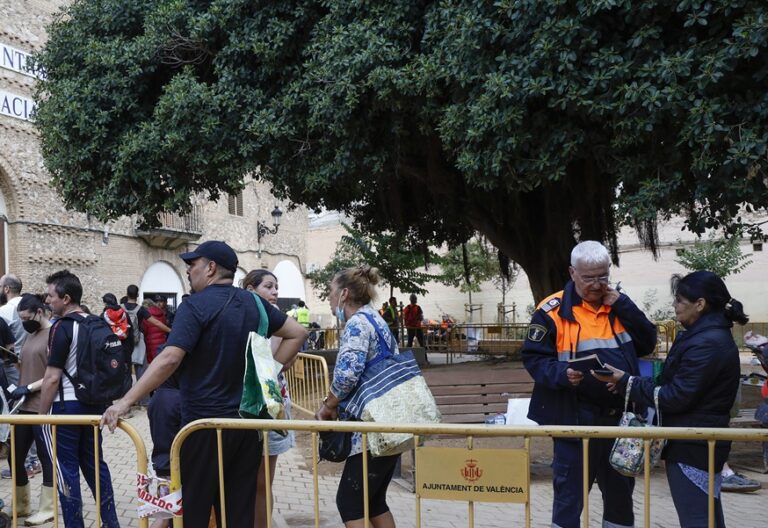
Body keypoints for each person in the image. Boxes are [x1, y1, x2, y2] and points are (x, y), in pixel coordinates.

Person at [101, 240, 307, 528]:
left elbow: (170, 358)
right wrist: (269, 374)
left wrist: (124, 401)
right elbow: (297, 333)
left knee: (194, 512)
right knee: (238, 512)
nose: (188, 272)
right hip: (246, 428)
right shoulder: (255, 302)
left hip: (203, 428)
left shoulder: (195, 305)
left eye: (192, 265)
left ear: (210, 268)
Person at [594, 270, 748, 528]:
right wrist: (625, 382)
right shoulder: (703, 336)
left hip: (694, 446)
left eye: (679, 301)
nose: (674, 306)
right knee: (706, 517)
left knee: (698, 519)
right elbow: (671, 383)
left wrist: (627, 383)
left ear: (700, 304)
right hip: (695, 442)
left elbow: (676, 396)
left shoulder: (707, 343)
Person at [521, 240, 657, 528]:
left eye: (603, 276)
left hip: (619, 422)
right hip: (574, 420)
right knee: (569, 500)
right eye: (589, 278)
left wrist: (624, 305)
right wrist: (562, 374)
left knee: (621, 500)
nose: (597, 285)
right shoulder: (551, 311)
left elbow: (647, 342)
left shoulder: (619, 304)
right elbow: (534, 359)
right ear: (572, 273)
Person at [315, 265, 401, 528]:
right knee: (373, 502)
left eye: (330, 291)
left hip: (370, 430)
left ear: (344, 294)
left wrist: (328, 406)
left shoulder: (357, 324)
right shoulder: (376, 319)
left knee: (350, 503)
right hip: (389, 423)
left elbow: (346, 376)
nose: (328, 297)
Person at [38, 270, 121, 528]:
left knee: (66, 469)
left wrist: (42, 416)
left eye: (50, 296)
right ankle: (110, 522)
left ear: (65, 298)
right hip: (93, 405)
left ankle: (75, 524)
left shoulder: (62, 327)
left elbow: (52, 377)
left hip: (66, 407)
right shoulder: (97, 322)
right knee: (96, 466)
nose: (47, 301)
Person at [241, 269, 296, 528]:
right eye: (269, 286)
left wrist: (270, 369)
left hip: (271, 407)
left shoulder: (280, 324)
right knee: (247, 480)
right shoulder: (246, 320)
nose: (275, 292)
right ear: (250, 289)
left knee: (263, 481)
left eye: (276, 287)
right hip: (246, 408)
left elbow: (284, 363)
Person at [3, 293, 55, 525]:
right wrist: (11, 359)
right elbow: (29, 364)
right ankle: (22, 505)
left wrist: (30, 387)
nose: (24, 322)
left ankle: (48, 507)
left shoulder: (53, 334)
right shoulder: (31, 334)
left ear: (39, 312)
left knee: (46, 458)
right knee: (15, 456)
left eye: (26, 317)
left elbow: (56, 374)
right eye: (21, 318)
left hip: (43, 407)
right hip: (24, 408)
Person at [121, 285, 170, 406]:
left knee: (126, 373)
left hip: (123, 343)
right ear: (137, 296)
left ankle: (127, 403)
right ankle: (144, 401)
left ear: (127, 294)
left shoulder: (120, 308)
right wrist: (170, 330)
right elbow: (157, 323)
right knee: (141, 373)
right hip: (138, 343)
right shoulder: (141, 309)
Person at [143, 297, 169, 365]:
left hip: (150, 342)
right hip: (162, 341)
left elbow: (145, 330)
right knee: (161, 362)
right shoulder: (162, 313)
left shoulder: (146, 316)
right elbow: (164, 325)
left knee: (153, 364)